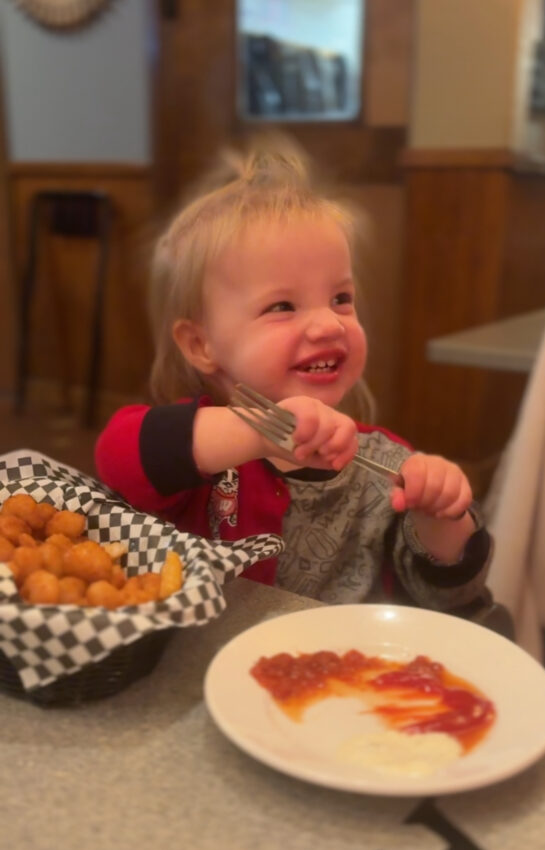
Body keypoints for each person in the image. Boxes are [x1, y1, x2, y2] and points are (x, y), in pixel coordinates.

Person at [95, 135, 492, 610]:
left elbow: (449, 598)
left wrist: (442, 516)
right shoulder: (196, 452)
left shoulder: (385, 466)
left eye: (341, 298)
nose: (329, 323)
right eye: (282, 306)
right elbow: (116, 455)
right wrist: (262, 432)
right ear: (202, 345)